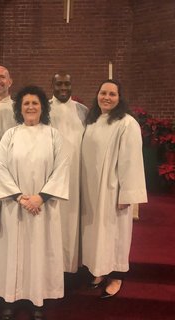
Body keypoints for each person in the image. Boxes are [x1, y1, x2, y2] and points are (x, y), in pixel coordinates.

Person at [0, 86, 70, 320]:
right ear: (19, 108)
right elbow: (0, 168)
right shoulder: (10, 135)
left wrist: (41, 197)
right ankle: (10, 297)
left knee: (40, 251)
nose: (30, 107)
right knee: (12, 251)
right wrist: (19, 196)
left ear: (43, 107)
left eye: (35, 103)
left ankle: (38, 299)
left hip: (43, 207)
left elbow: (62, 167)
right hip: (15, 206)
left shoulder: (53, 135)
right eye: (26, 103)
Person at [80, 79, 147, 299]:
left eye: (112, 94)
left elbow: (132, 161)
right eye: (103, 93)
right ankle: (100, 270)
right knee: (97, 234)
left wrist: (127, 193)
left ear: (120, 98)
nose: (106, 97)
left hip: (113, 190)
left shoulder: (127, 123)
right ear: (97, 95)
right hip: (92, 190)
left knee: (115, 234)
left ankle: (116, 276)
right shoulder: (93, 121)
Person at [49, 72, 88, 275]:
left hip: (76, 176)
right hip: (52, 176)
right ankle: (53, 267)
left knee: (73, 221)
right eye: (59, 84)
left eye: (67, 84)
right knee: (55, 222)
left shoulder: (83, 111)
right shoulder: (43, 109)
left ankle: (72, 267)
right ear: (52, 85)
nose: (63, 88)